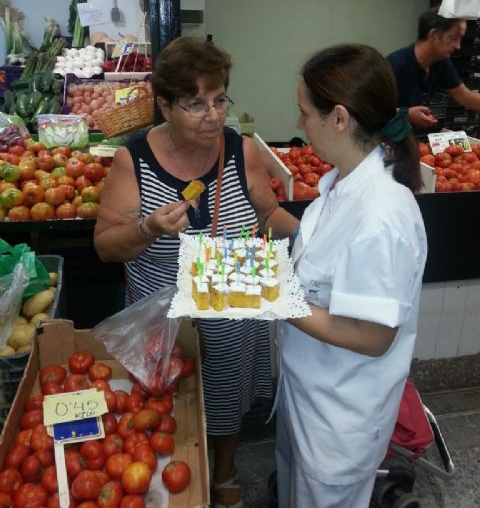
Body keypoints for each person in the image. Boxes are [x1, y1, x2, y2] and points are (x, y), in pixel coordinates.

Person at [94, 36, 298, 508]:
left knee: (226, 398)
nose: (213, 114)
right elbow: (106, 246)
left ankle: (224, 474)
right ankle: (171, 479)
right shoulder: (134, 160)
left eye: (219, 99)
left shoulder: (241, 149)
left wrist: (314, 237)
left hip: (232, 308)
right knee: (167, 406)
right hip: (165, 321)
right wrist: (148, 227)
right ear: (165, 106)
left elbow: (267, 214)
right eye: (195, 104)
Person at [274, 44, 428, 508]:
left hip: (341, 415)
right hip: (308, 389)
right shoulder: (342, 183)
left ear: (339, 118)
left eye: (304, 113)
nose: (300, 124)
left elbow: (374, 336)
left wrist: (276, 300)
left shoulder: (382, 216)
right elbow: (328, 265)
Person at [387, 8, 480, 128]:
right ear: (433, 35)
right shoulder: (395, 64)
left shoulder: (441, 62)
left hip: (410, 137)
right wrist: (406, 114)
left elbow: (465, 96)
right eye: (453, 38)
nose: (458, 46)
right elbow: (369, 109)